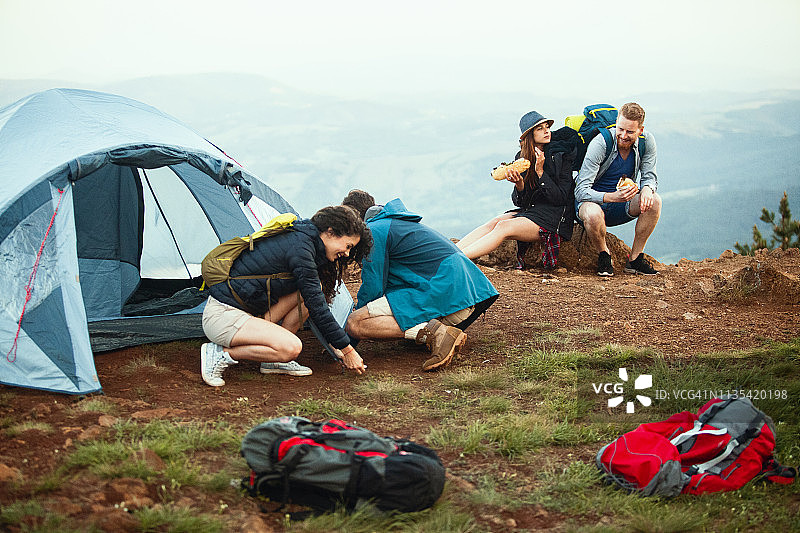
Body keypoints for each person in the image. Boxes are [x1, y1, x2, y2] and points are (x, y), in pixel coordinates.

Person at [200, 205, 373, 386]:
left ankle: (274, 360)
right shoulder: (301, 248)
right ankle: (220, 354)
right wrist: (347, 350)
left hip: (246, 312)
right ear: (330, 232)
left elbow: (313, 300)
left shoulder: (304, 241)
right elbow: (318, 307)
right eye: (348, 246)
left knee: (311, 292)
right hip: (223, 317)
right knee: (291, 347)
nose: (347, 253)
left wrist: (336, 345)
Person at [342, 191, 499, 371]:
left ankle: (439, 334)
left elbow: (373, 287)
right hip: (468, 295)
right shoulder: (395, 222)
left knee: (355, 323)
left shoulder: (373, 231)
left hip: (447, 293)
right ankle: (435, 330)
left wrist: (346, 343)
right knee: (379, 320)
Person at [456, 110, 576, 269]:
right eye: (540, 128)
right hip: (533, 211)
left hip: (555, 217)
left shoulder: (561, 155)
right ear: (529, 135)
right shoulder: (522, 157)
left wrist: (540, 172)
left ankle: (458, 259)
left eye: (547, 127)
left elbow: (560, 197)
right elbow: (521, 202)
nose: (547, 131)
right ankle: (450, 252)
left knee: (503, 227)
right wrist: (519, 185)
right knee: (495, 222)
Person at [574, 102, 661, 276]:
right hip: (591, 204)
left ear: (640, 130)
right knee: (593, 213)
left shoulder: (647, 142)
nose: (623, 135)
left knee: (655, 201)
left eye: (630, 132)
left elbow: (649, 176)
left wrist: (646, 189)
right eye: (620, 129)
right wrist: (612, 197)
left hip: (622, 204)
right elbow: (581, 190)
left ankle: (635, 259)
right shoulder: (601, 143)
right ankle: (604, 255)